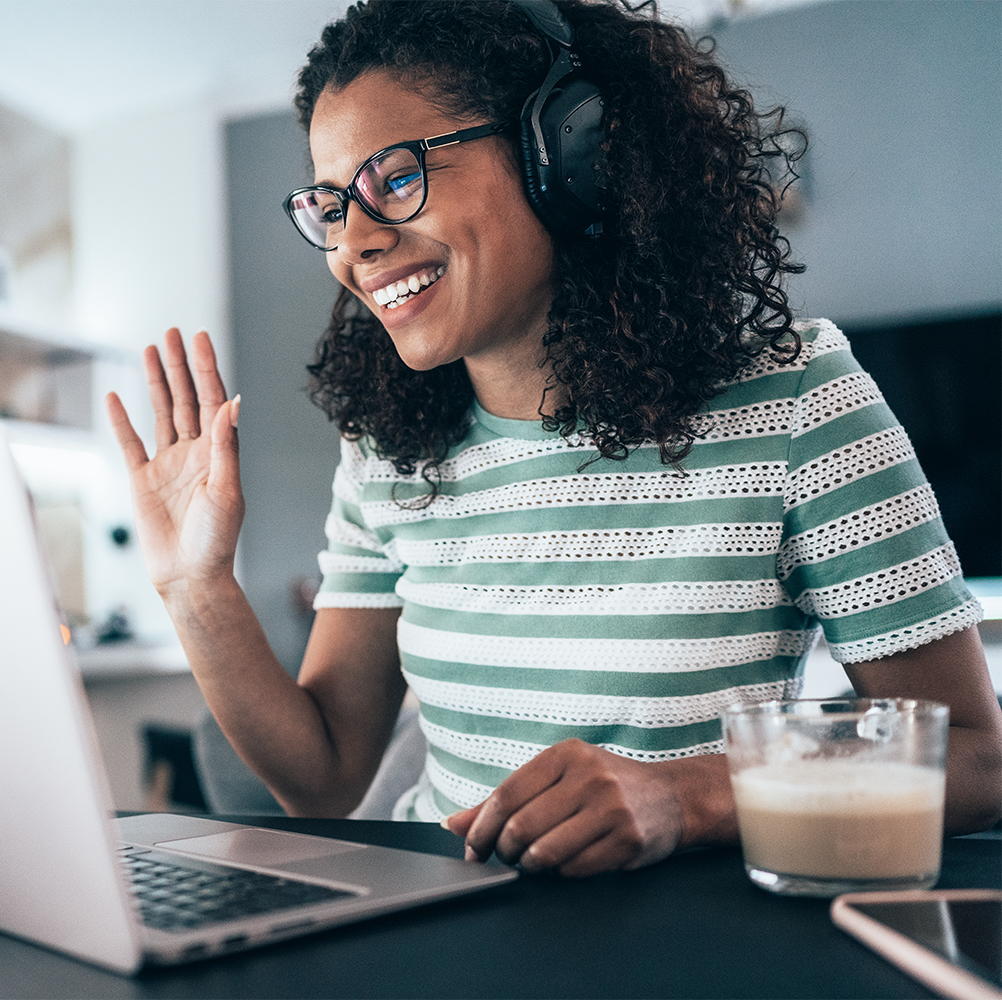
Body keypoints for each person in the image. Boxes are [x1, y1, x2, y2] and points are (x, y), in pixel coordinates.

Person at [105, 0, 1002, 877]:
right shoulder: (386, 449)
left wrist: (690, 797)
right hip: (429, 930)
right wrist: (196, 588)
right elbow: (326, 780)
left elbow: (976, 761)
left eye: (395, 177)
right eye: (332, 205)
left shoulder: (797, 403)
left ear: (567, 153)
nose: (357, 243)